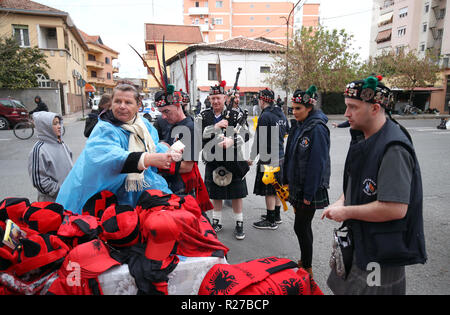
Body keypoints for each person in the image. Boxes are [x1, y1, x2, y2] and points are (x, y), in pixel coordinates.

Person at [322, 76, 427, 295]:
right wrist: (341, 200)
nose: (346, 114)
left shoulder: (393, 148)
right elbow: (357, 181)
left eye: (353, 107)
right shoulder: (363, 136)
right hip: (362, 243)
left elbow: (394, 208)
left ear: (375, 108)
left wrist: (345, 212)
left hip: (381, 254)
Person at [56, 84, 178, 214]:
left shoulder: (142, 125)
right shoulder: (105, 129)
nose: (122, 106)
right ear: (111, 104)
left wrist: (168, 152)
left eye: (128, 102)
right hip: (92, 195)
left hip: (125, 192)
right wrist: (146, 159)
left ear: (138, 106)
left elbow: (151, 146)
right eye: (118, 101)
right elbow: (109, 157)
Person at [283, 85, 331, 277]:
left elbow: (317, 165)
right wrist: (286, 181)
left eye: (298, 109)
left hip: (309, 188)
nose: (294, 112)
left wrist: (309, 195)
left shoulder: (317, 129)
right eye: (292, 108)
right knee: (302, 226)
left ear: (309, 108)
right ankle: (305, 261)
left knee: (301, 226)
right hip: (297, 185)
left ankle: (307, 267)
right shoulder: (299, 125)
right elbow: (290, 157)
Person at [198, 80, 250, 240]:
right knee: (216, 194)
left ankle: (239, 223)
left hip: (233, 160)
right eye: (212, 98)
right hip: (213, 159)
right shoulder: (203, 115)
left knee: (236, 195)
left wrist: (231, 141)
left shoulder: (236, 114)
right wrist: (215, 127)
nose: (215, 101)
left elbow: (246, 133)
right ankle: (216, 221)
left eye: (218, 98)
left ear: (224, 98)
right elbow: (196, 133)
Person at [154, 87, 213, 213]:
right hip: (172, 185)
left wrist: (155, 162)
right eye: (161, 112)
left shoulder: (191, 128)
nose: (163, 116)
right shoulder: (173, 125)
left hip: (184, 189)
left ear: (178, 106)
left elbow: (187, 166)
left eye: (166, 111)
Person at [249, 88, 288, 230]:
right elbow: (286, 132)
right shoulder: (281, 114)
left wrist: (252, 157)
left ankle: (270, 220)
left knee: (270, 190)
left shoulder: (265, 116)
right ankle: (276, 216)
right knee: (277, 187)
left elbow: (259, 139)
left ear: (262, 100)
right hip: (281, 155)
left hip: (269, 157)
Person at [28, 112, 73, 202]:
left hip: (67, 197)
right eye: (55, 124)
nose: (59, 126)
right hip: (51, 201)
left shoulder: (62, 144)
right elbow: (40, 181)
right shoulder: (39, 150)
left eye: (59, 123)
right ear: (45, 127)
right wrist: (60, 191)